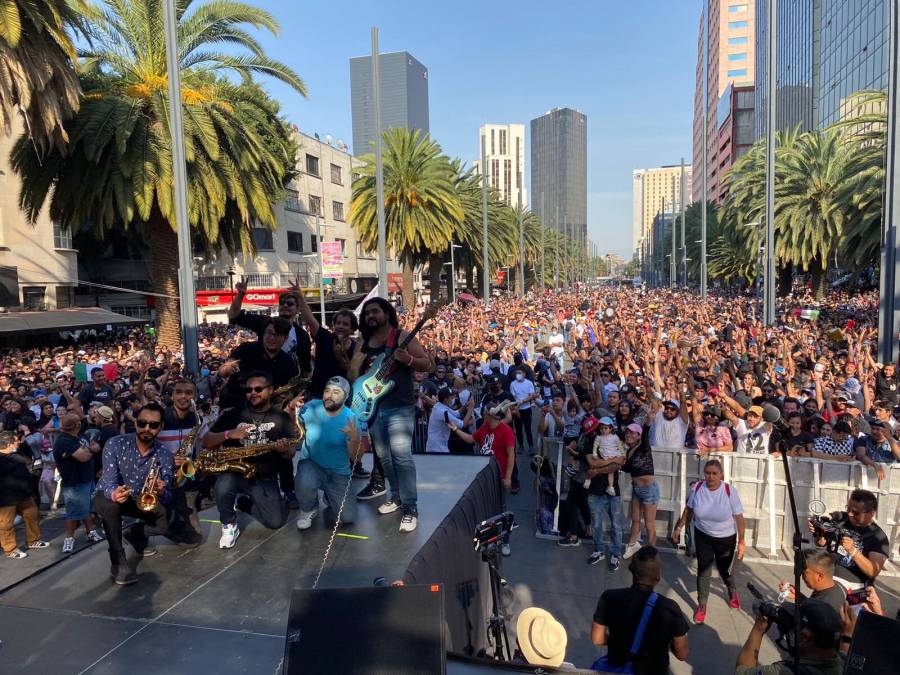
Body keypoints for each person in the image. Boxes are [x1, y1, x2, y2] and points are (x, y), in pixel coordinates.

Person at [349, 298, 433, 534]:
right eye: (367, 313)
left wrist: (408, 360)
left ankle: (410, 507)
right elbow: (354, 375)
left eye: (375, 311)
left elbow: (428, 364)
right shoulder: (364, 342)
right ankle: (395, 496)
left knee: (401, 455)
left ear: (387, 313)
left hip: (399, 406)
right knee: (384, 458)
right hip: (373, 407)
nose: (370, 316)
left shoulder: (401, 337)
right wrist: (356, 369)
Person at [203, 372, 298, 548]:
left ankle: (243, 503)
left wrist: (285, 449)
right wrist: (228, 434)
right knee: (223, 485)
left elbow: (291, 453)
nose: (252, 393)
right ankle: (229, 524)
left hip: (264, 478)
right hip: (234, 473)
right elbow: (207, 441)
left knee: (275, 522)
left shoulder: (281, 417)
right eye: (249, 390)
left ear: (270, 391)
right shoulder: (233, 414)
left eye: (258, 389)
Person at [217, 316, 301, 509]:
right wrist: (226, 369)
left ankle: (288, 490)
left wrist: (288, 414)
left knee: (281, 444)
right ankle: (231, 494)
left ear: (285, 337)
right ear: (263, 334)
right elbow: (222, 372)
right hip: (234, 407)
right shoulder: (246, 350)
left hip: (266, 410)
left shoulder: (288, 363)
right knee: (232, 452)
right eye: (270, 333)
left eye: (279, 334)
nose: (273, 338)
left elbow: (286, 396)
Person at [93, 402, 176, 585]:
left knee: (168, 523)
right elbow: (108, 481)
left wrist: (162, 491)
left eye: (153, 425)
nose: (147, 428)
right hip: (109, 496)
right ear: (135, 422)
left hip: (141, 498)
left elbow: (169, 494)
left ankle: (135, 534)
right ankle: (118, 560)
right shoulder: (115, 443)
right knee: (111, 507)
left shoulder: (164, 454)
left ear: (161, 427)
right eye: (142, 422)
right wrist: (114, 493)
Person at [592, 546, 689, 674]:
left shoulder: (609, 598)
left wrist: (618, 642)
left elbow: (597, 638)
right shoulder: (670, 609)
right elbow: (682, 654)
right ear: (658, 577)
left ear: (632, 570)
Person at [672, 459, 746, 623]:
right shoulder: (697, 488)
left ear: (721, 475)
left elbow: (739, 518)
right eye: (708, 473)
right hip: (703, 535)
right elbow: (689, 510)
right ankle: (702, 604)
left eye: (714, 474)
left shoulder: (729, 491)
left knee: (724, 570)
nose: (711, 477)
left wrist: (741, 541)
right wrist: (679, 528)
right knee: (703, 570)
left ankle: (732, 591)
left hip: (726, 538)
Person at [295, 377, 361, 530]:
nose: (329, 395)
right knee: (305, 480)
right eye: (327, 390)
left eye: (336, 392)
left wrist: (353, 439)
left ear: (345, 397)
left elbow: (356, 457)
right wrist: (291, 408)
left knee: (348, 517)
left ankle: (329, 496)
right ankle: (308, 508)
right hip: (312, 464)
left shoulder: (350, 418)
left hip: (338, 473)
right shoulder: (311, 407)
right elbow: (294, 425)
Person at [449, 403, 516, 555]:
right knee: (486, 509)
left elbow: (511, 455)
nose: (483, 415)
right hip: (484, 477)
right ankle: (489, 539)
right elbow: (470, 439)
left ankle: (505, 541)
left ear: (490, 415)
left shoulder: (506, 431)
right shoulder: (484, 428)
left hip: (499, 477)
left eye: (485, 413)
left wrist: (508, 477)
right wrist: (454, 429)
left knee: (501, 510)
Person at [734, 599, 844, 675]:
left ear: (805, 637)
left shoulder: (786, 671)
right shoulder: (844, 662)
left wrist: (758, 629)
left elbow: (742, 671)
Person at [228, 279, 312, 377]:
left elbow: (306, 367)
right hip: (260, 380)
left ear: (298, 309)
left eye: (289, 303)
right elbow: (234, 316)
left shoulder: (302, 335)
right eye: (282, 302)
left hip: (286, 384)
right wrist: (241, 294)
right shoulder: (264, 322)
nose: (285, 305)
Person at [807, 488, 889, 588]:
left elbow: (873, 571)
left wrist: (853, 551)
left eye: (856, 512)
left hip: (853, 585)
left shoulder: (879, 538)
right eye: (848, 509)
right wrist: (818, 532)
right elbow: (821, 543)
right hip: (828, 576)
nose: (850, 514)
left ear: (872, 513)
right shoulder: (841, 519)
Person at [156, 379, 205, 546]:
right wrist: (168, 459)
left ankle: (176, 522)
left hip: (185, 477)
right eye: (179, 392)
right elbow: (144, 447)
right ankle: (137, 533)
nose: (183, 396)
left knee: (194, 539)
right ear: (172, 395)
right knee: (160, 520)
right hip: (160, 477)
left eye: (189, 393)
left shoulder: (197, 420)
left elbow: (203, 444)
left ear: (195, 396)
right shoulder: (159, 418)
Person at [53, 413, 103, 553]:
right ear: (76, 425)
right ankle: (69, 539)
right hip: (74, 483)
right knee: (73, 512)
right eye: (78, 422)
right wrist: (91, 450)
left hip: (86, 478)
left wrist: (89, 449)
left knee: (86, 508)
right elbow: (84, 457)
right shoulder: (64, 440)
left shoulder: (80, 435)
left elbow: (91, 448)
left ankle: (90, 532)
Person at [0, 431, 49, 559]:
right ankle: (10, 549)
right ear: (9, 444)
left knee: (32, 515)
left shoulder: (16, 455)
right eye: (16, 441)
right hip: (6, 498)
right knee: (6, 524)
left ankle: (33, 540)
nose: (19, 442)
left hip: (24, 494)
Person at [583, 425, 626, 570]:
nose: (601, 431)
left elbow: (619, 463)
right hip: (595, 492)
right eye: (599, 428)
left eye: (604, 428)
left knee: (616, 525)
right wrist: (611, 460)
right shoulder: (590, 444)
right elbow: (593, 463)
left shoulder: (615, 439)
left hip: (613, 492)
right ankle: (599, 550)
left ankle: (615, 554)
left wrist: (597, 470)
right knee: (596, 524)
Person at [621, 423, 659, 559]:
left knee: (649, 524)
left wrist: (648, 422)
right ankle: (632, 545)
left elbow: (647, 432)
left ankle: (651, 553)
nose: (628, 435)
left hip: (649, 490)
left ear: (639, 436)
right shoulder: (628, 451)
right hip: (636, 489)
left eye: (632, 433)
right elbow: (626, 469)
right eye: (627, 433)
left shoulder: (644, 447)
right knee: (635, 519)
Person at [779, 549, 847, 615]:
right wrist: (798, 596)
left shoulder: (824, 606)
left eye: (804, 573)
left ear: (819, 576)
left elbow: (813, 616)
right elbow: (812, 604)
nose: (802, 577)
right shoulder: (833, 587)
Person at [509, 366, 538, 456]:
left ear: (524, 374)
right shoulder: (512, 384)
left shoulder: (529, 383)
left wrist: (523, 401)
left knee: (528, 428)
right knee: (518, 429)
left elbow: (531, 395)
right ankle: (521, 445)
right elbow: (513, 397)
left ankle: (531, 446)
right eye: (517, 373)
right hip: (517, 410)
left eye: (520, 373)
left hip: (526, 409)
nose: (518, 375)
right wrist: (516, 407)